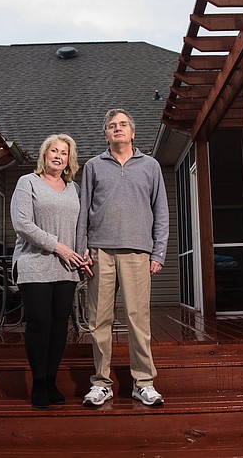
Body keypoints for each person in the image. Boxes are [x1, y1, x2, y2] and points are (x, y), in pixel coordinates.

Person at [76, 109, 169, 407]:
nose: (117, 129)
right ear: (105, 135)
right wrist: (82, 250)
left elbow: (162, 213)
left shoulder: (151, 166)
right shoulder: (93, 166)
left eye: (123, 125)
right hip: (99, 252)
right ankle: (101, 384)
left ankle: (143, 382)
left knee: (137, 320)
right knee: (99, 320)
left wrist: (159, 251)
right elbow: (83, 211)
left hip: (138, 252)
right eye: (111, 126)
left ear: (132, 132)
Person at [11, 134, 88, 409]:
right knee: (39, 322)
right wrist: (58, 247)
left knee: (59, 325)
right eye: (53, 151)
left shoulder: (74, 189)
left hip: (66, 267)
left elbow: (82, 227)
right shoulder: (27, 182)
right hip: (34, 264)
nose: (58, 156)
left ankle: (52, 379)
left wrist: (83, 252)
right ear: (44, 155)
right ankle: (39, 383)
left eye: (64, 153)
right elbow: (22, 224)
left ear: (69, 159)